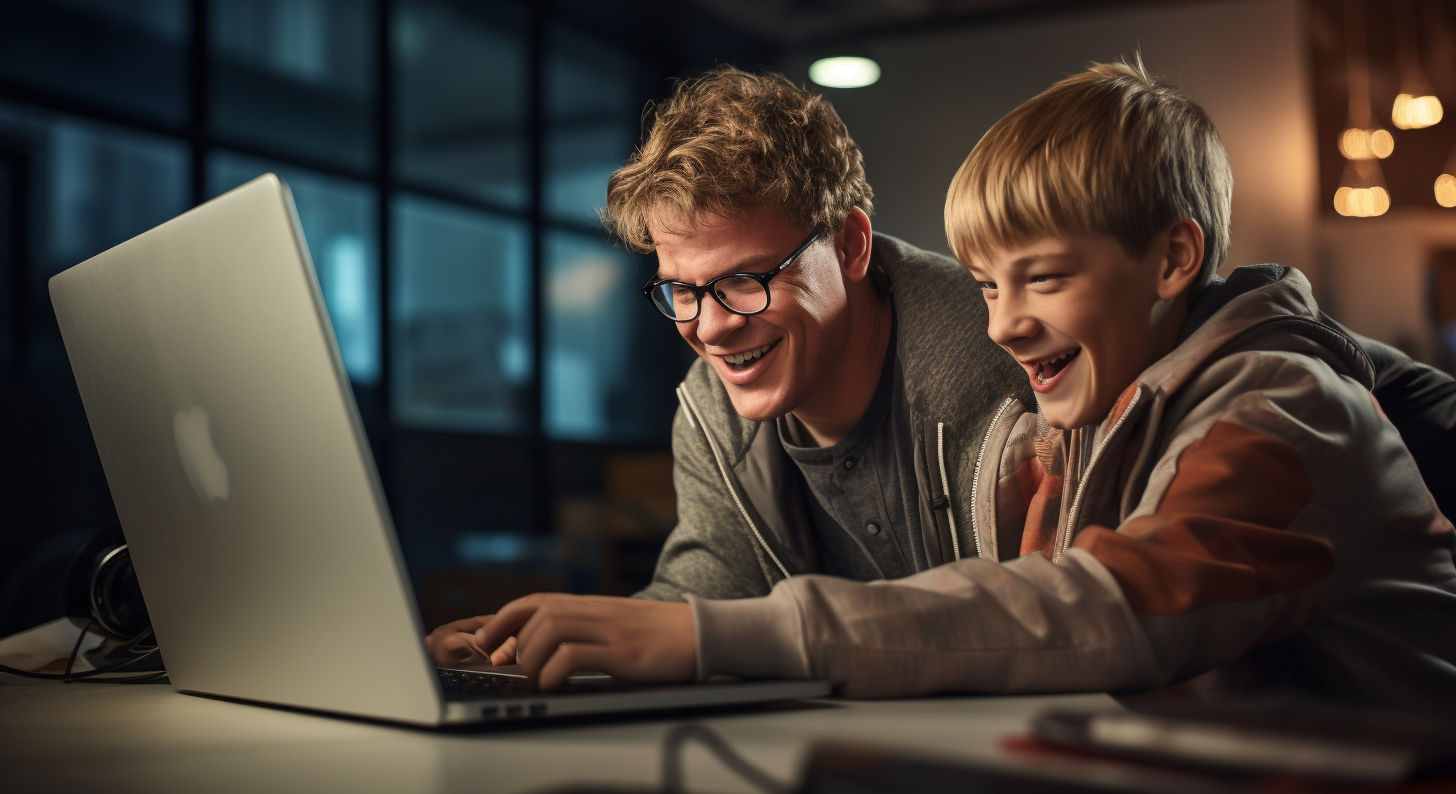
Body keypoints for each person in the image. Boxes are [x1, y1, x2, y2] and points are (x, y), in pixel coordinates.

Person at [431, 62, 1456, 705]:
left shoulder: (1279, 407)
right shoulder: (1091, 406)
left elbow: (1095, 612)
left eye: (1041, 279)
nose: (1002, 322)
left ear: (1173, 261)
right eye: (983, 284)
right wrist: (567, 652)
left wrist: (715, 636)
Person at [425, 66, 1030, 684]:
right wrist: (536, 652)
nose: (710, 330)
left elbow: (1063, 617)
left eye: (747, 280)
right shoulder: (711, 406)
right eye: (682, 290)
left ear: (850, 245)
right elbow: (709, 601)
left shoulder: (1010, 358)